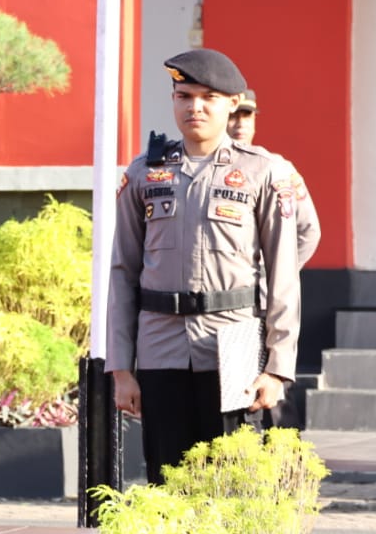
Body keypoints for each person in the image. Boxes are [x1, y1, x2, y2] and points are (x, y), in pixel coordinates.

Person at [106, 49, 302, 484]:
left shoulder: (263, 172)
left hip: (232, 341)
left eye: (208, 97)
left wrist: (276, 368)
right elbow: (122, 272)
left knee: (230, 481)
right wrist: (122, 368)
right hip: (160, 343)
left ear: (233, 103)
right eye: (184, 95)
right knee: (167, 477)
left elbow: (284, 275)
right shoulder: (144, 174)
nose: (195, 107)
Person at [227, 87, 322, 429]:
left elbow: (308, 231)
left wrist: (272, 274)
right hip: (222, 307)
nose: (239, 124)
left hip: (264, 300)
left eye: (247, 115)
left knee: (277, 393)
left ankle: (285, 468)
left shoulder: (277, 169)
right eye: (234, 115)